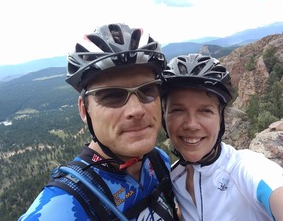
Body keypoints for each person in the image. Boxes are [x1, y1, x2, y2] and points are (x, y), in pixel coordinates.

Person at [19, 23, 178, 221]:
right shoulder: (61, 207)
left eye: (148, 90)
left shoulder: (158, 161)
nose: (136, 110)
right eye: (112, 95)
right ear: (84, 110)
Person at [161, 53, 283, 221]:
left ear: (221, 118)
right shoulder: (173, 176)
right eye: (178, 110)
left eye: (205, 111)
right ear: (164, 116)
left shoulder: (246, 169)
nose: (191, 124)